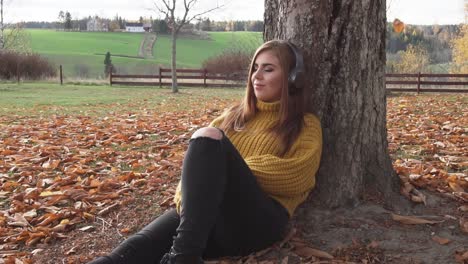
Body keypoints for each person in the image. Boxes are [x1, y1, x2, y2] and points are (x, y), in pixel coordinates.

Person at [89, 39, 322, 264]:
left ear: (293, 79)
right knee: (130, 251)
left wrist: (221, 172)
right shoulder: (232, 117)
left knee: (209, 138)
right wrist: (195, 194)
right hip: (205, 219)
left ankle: (183, 258)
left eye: (268, 69)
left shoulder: (304, 124)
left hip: (257, 223)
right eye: (255, 69)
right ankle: (185, 256)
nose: (256, 77)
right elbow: (197, 169)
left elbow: (297, 176)